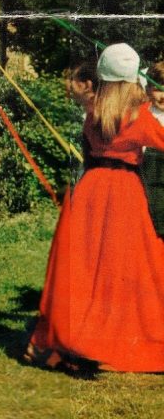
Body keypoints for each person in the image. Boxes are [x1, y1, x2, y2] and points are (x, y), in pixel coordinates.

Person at [25, 43, 164, 373]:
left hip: (90, 190)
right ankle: (113, 337)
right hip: (125, 192)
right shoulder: (139, 116)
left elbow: (89, 152)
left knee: (85, 268)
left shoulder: (93, 111)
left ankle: (74, 336)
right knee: (125, 268)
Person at [141, 61, 164, 238]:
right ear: (148, 89)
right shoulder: (141, 114)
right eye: (158, 89)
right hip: (147, 186)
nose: (163, 95)